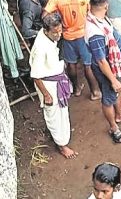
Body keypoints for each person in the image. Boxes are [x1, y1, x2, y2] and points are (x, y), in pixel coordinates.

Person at [85, 0, 121, 143]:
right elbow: (101, 61)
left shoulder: (99, 19)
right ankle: (113, 127)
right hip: (108, 70)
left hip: (116, 67)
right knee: (108, 98)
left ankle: (120, 115)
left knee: (116, 92)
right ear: (106, 5)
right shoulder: (94, 32)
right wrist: (112, 79)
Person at [43, 0, 101, 100]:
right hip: (84, 34)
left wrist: (58, 26)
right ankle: (95, 91)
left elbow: (45, 15)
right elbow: (91, 13)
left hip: (68, 35)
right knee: (88, 64)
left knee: (71, 64)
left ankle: (76, 89)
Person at [29, 13, 77, 158]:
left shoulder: (50, 37)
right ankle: (61, 145)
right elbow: (36, 75)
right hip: (48, 84)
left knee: (62, 109)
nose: (58, 34)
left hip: (57, 79)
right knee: (53, 114)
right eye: (55, 32)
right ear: (46, 31)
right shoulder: (40, 48)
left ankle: (63, 135)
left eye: (60, 31)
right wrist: (46, 95)